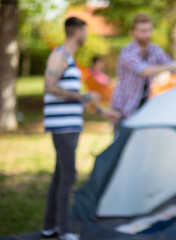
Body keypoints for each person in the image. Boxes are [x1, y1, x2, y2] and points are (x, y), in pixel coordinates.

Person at [41, 17, 119, 240]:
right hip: (62, 127)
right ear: (78, 32)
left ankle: (49, 228)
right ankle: (64, 231)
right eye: (85, 31)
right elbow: (49, 86)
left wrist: (104, 112)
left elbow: (80, 100)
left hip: (70, 125)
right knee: (68, 176)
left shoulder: (70, 60)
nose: (86, 35)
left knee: (60, 176)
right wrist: (83, 95)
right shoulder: (60, 55)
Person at [111, 13, 176, 138]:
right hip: (124, 109)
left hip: (144, 108)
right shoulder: (127, 52)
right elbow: (146, 71)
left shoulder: (154, 49)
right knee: (120, 148)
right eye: (142, 31)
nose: (146, 34)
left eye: (148, 30)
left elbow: (173, 68)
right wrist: (175, 66)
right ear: (133, 33)